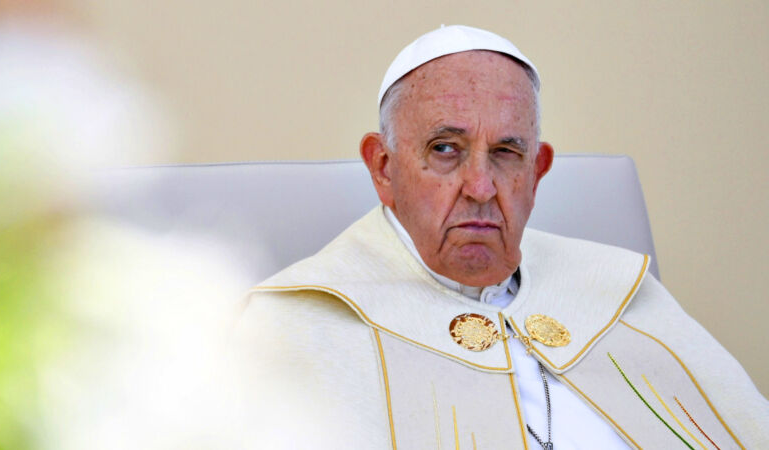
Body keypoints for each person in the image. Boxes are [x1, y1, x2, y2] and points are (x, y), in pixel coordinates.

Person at [235, 25, 768, 449]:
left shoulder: (617, 289)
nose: (481, 186)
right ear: (382, 168)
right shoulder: (295, 325)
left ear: (536, 171)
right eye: (445, 149)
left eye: (507, 153)